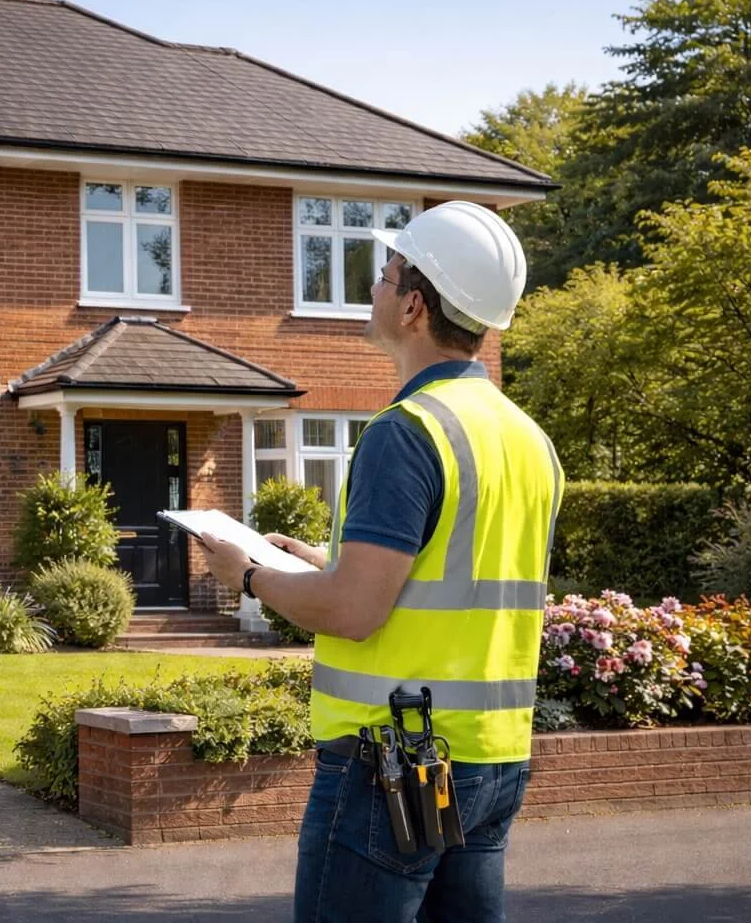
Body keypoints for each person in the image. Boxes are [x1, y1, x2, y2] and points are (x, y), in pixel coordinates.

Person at [199, 201, 562, 923]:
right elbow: (449, 572)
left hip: (393, 767)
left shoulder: (406, 432)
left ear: (414, 307)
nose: (373, 288)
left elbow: (355, 612)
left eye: (385, 274)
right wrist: (326, 561)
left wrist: (247, 574)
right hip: (490, 760)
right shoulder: (528, 440)